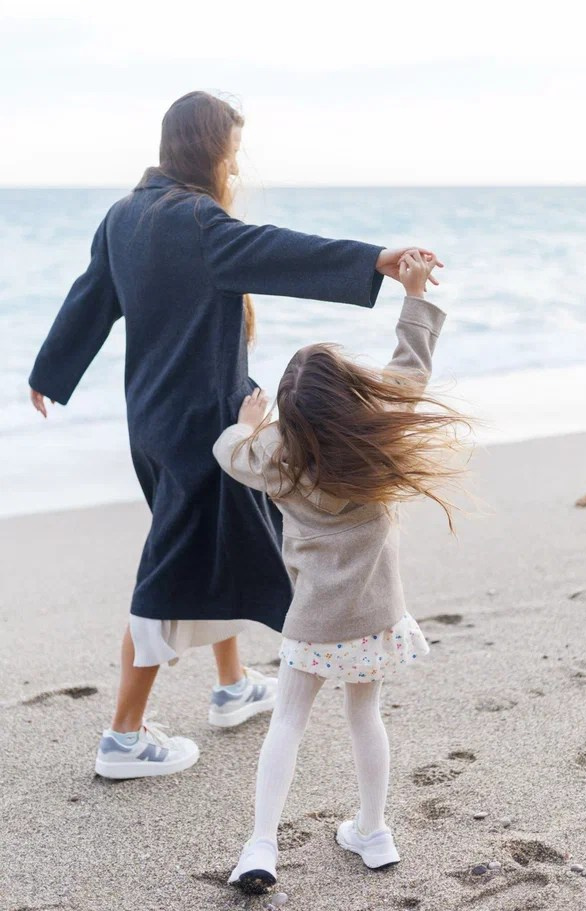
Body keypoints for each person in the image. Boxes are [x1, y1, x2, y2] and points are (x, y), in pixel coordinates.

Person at [28, 91, 439, 779]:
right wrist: (376, 259)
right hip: (204, 433)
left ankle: (232, 685)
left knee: (227, 542)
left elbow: (90, 296)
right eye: (232, 150)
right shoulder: (197, 221)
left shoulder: (124, 216)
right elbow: (281, 250)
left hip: (157, 425)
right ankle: (123, 736)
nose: (236, 163)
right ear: (209, 152)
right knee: (168, 569)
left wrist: (49, 370)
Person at [213, 250, 466, 892]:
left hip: (314, 621)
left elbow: (228, 456)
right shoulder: (376, 434)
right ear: (350, 397)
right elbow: (410, 365)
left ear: (290, 416)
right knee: (365, 717)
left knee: (289, 722)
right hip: (377, 618)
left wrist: (248, 425)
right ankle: (373, 831)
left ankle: (261, 846)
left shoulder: (272, 455)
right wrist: (412, 292)